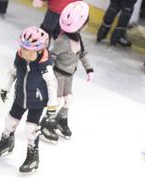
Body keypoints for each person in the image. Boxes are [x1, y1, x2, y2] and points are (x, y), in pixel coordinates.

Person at [0, 27, 58, 173]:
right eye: (23, 49)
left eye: (30, 51)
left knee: (31, 128)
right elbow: (12, 72)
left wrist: (52, 106)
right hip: (21, 96)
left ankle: (33, 156)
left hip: (37, 102)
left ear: (40, 50)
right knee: (10, 120)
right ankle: (7, 142)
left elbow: (52, 84)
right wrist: (5, 88)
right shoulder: (20, 57)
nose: (25, 53)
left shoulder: (45, 66)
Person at [40, 1, 93, 143]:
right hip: (58, 75)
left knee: (68, 99)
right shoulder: (62, 41)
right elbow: (51, 56)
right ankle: (46, 122)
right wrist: (47, 72)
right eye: (86, 23)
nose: (87, 25)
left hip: (69, 76)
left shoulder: (78, 38)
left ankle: (61, 119)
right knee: (57, 100)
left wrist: (89, 69)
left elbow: (82, 54)